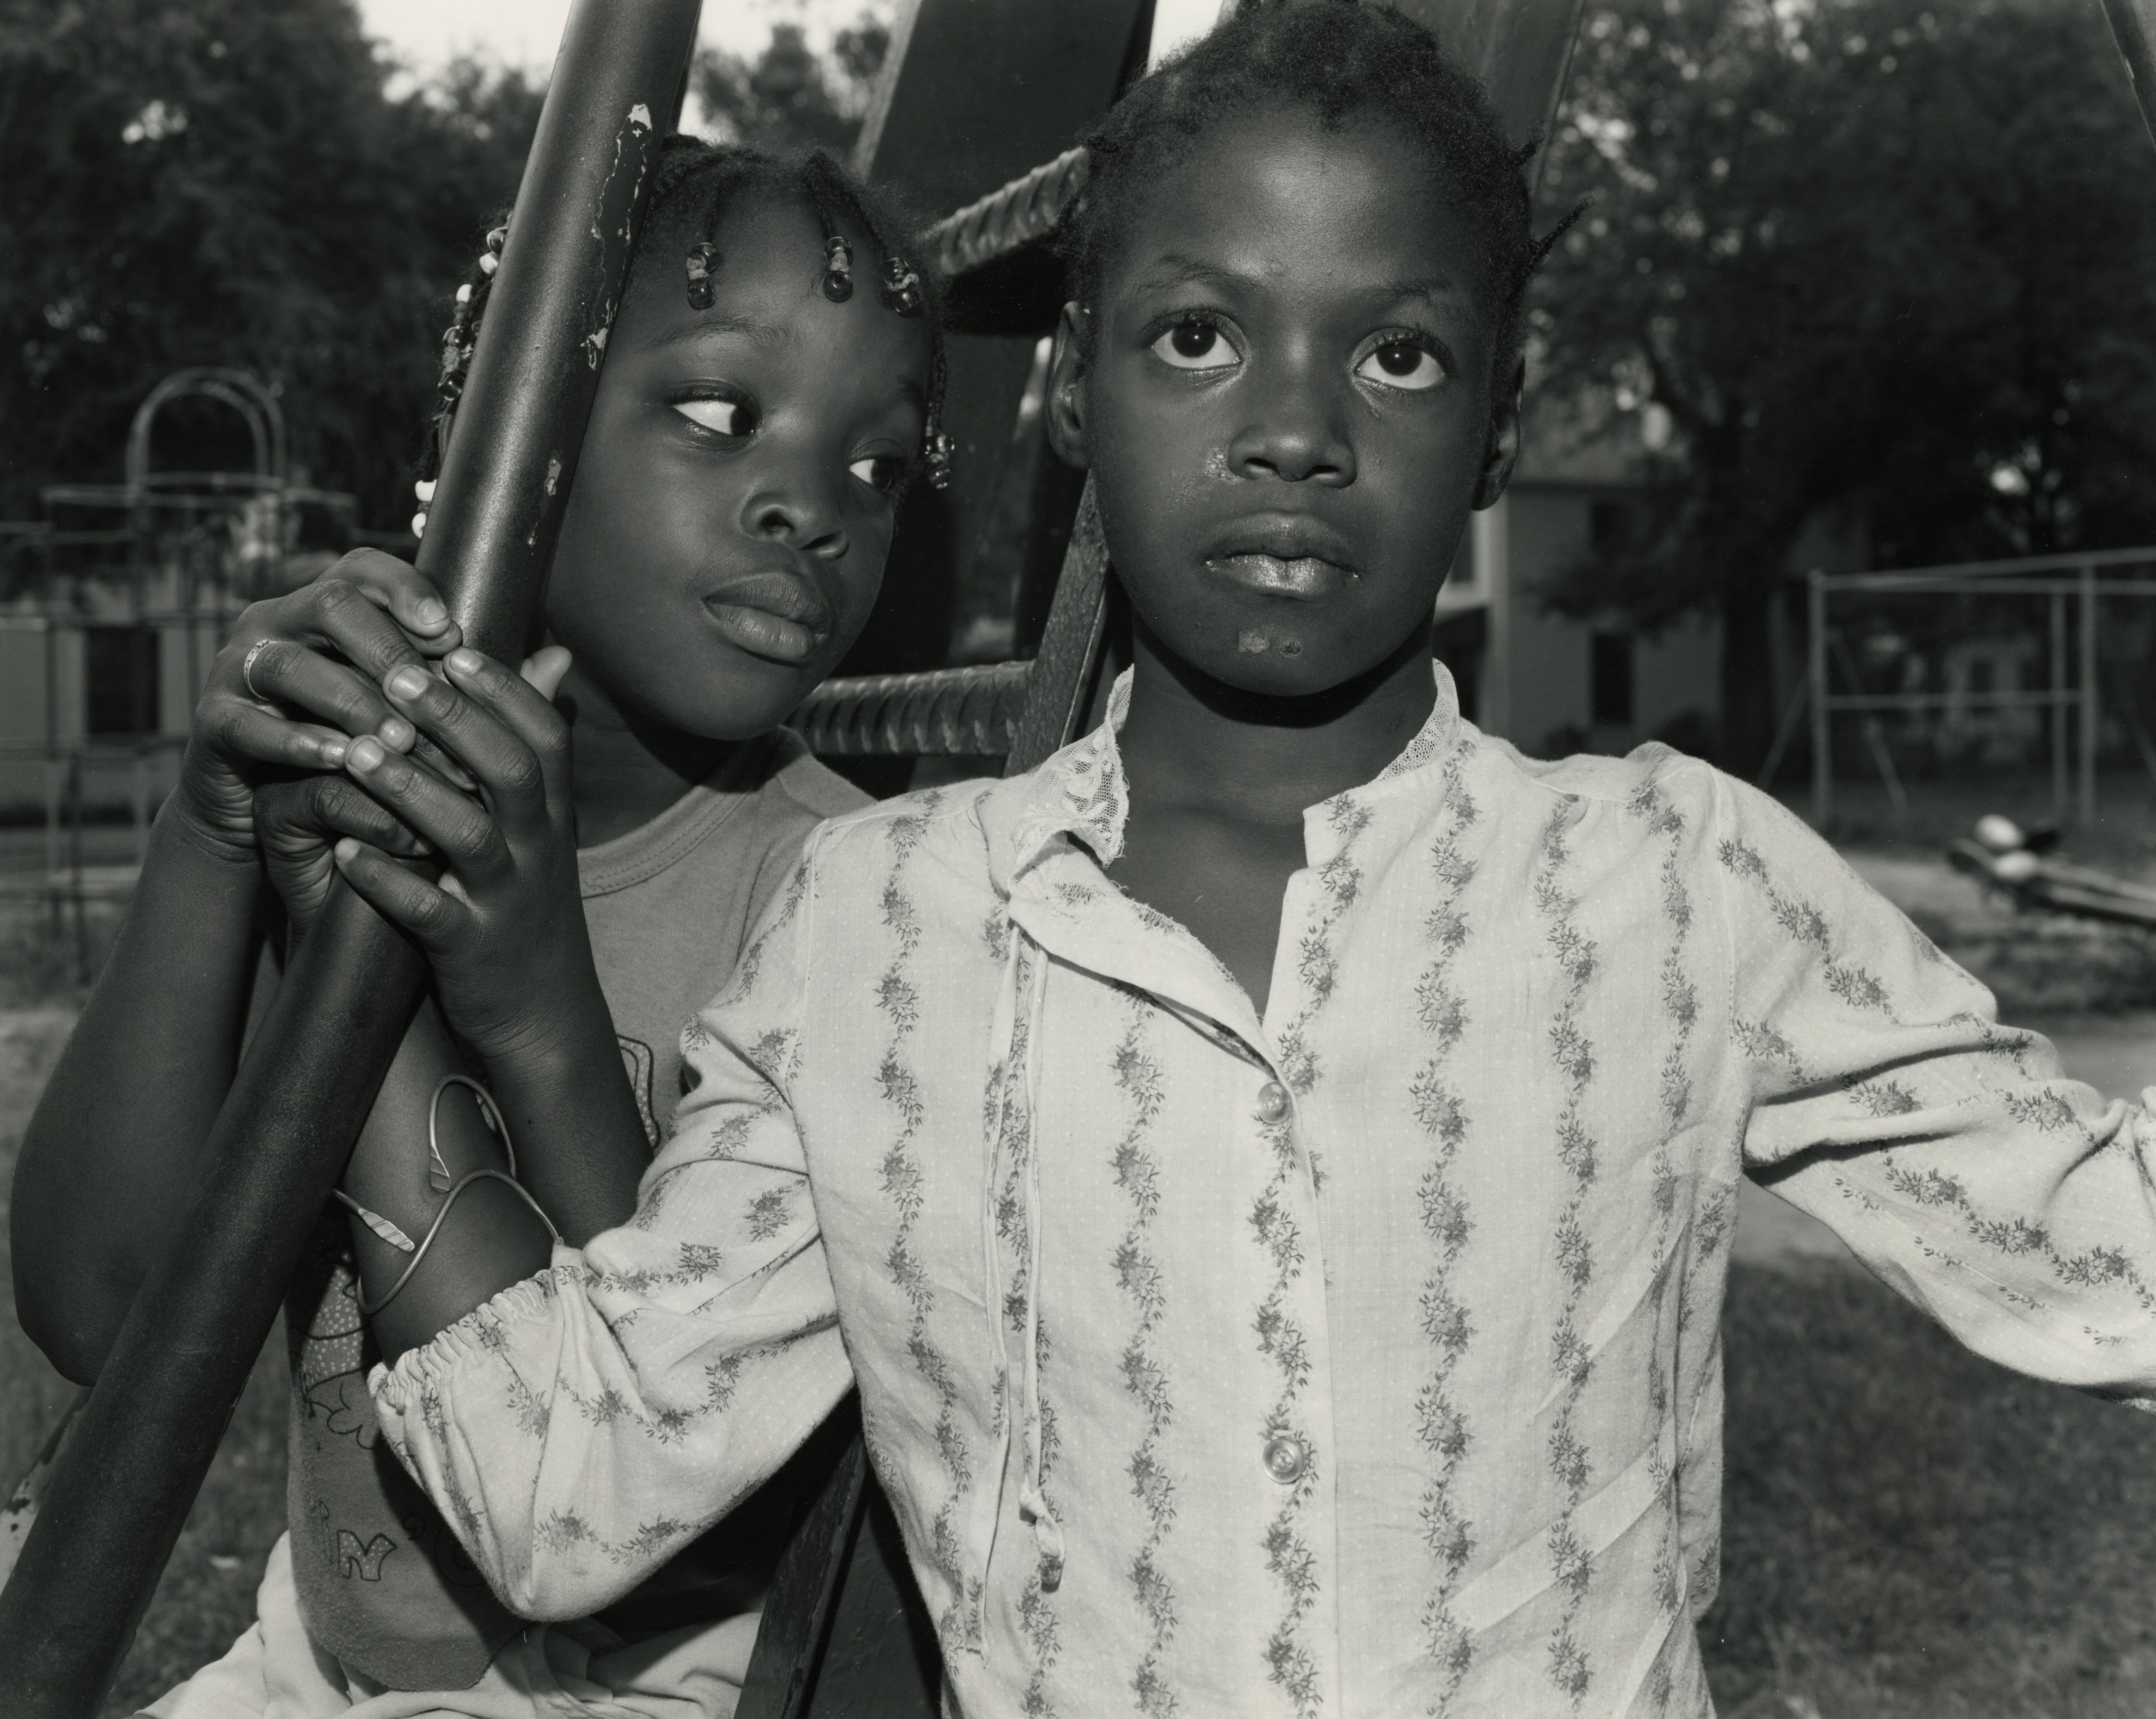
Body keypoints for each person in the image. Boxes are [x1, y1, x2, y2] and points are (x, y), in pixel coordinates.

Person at [252, 5, 2156, 1714]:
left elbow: (2107, 1242)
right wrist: (354, 898)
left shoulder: (1676, 884)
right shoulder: (883, 927)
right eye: (1197, 334)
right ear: (1075, 389)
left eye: (1398, 356)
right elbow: (573, 1487)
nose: (1296, 428)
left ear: (1495, 422)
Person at [11, 138, 943, 1717]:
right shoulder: (359, 810)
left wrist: (532, 1002)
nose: (812, 507)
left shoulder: (860, 897)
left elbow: (678, 1471)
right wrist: (208, 829)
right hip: (321, 1675)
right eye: (722, 416)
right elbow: (103, 1309)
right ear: (505, 432)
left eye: (881, 467)